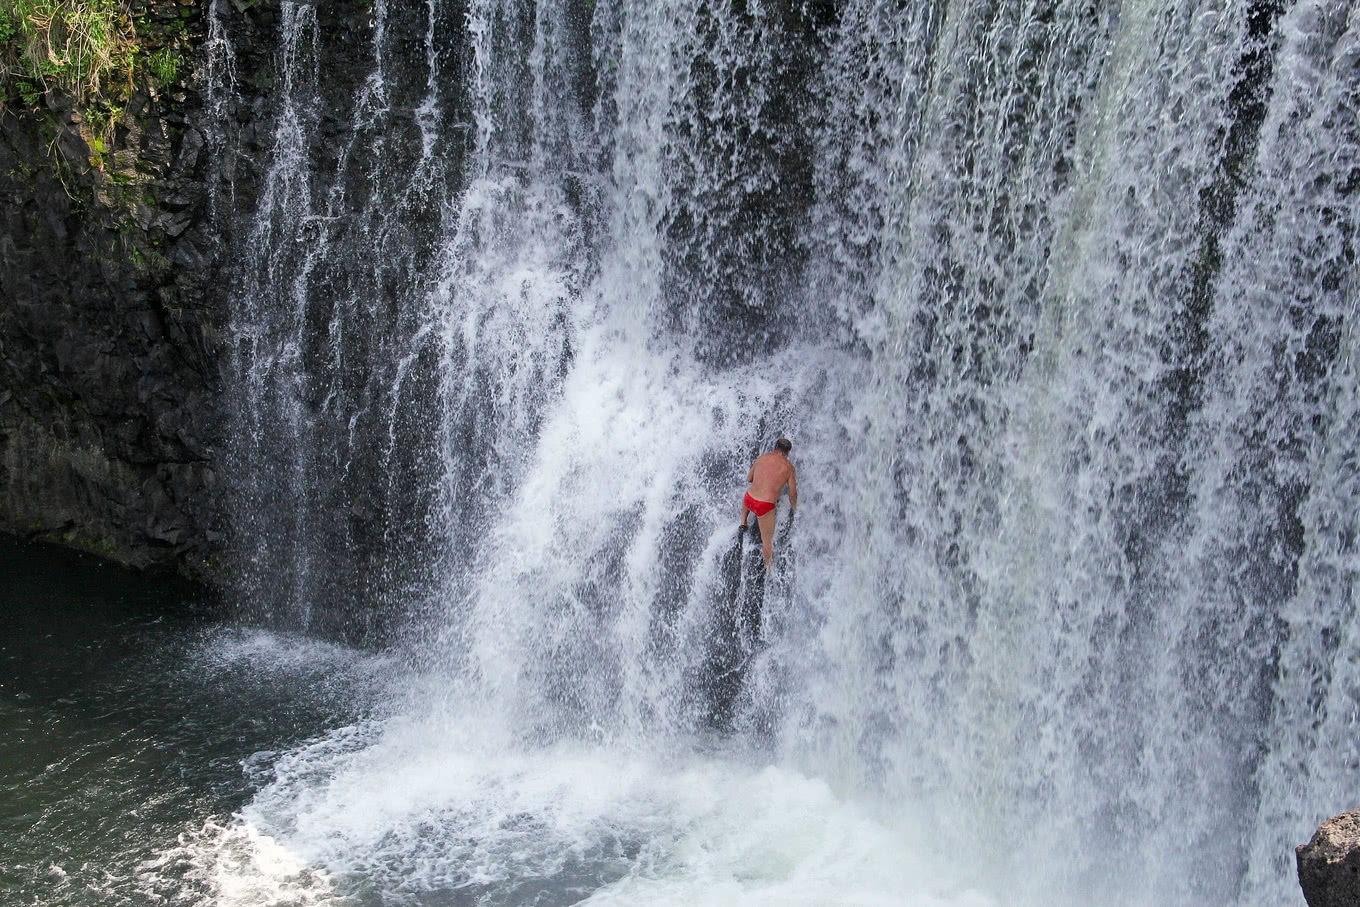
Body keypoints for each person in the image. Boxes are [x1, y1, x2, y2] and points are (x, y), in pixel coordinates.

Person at [739, 438, 797, 570]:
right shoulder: (789, 468)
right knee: (767, 542)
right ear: (788, 452)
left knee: (748, 493)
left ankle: (743, 523)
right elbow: (792, 494)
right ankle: (769, 567)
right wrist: (794, 508)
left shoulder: (762, 458)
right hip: (764, 506)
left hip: (749, 500)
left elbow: (749, 478)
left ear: (775, 447)